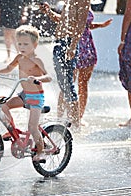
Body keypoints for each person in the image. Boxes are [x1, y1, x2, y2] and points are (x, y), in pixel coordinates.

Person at [0, 25, 52, 161]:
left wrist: (38, 79)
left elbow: (49, 77)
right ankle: (14, 132)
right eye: (19, 44)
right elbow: (8, 68)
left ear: (35, 44)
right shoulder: (19, 57)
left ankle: (41, 152)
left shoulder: (37, 60)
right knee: (3, 107)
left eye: (26, 44)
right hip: (25, 94)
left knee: (32, 127)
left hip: (36, 97)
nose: (22, 47)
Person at [40, 0, 91, 128]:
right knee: (63, 84)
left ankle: (75, 123)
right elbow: (63, 20)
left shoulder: (83, 1)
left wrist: (73, 46)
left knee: (68, 84)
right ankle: (65, 119)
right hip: (59, 42)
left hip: (68, 43)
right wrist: (49, 12)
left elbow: (80, 24)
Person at [57, 10, 112, 125]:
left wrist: (100, 25)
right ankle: (60, 116)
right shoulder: (71, 5)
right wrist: (49, 12)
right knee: (68, 83)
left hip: (87, 48)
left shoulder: (87, 5)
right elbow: (62, 20)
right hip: (73, 47)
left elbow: (86, 25)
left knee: (83, 84)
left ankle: (79, 116)